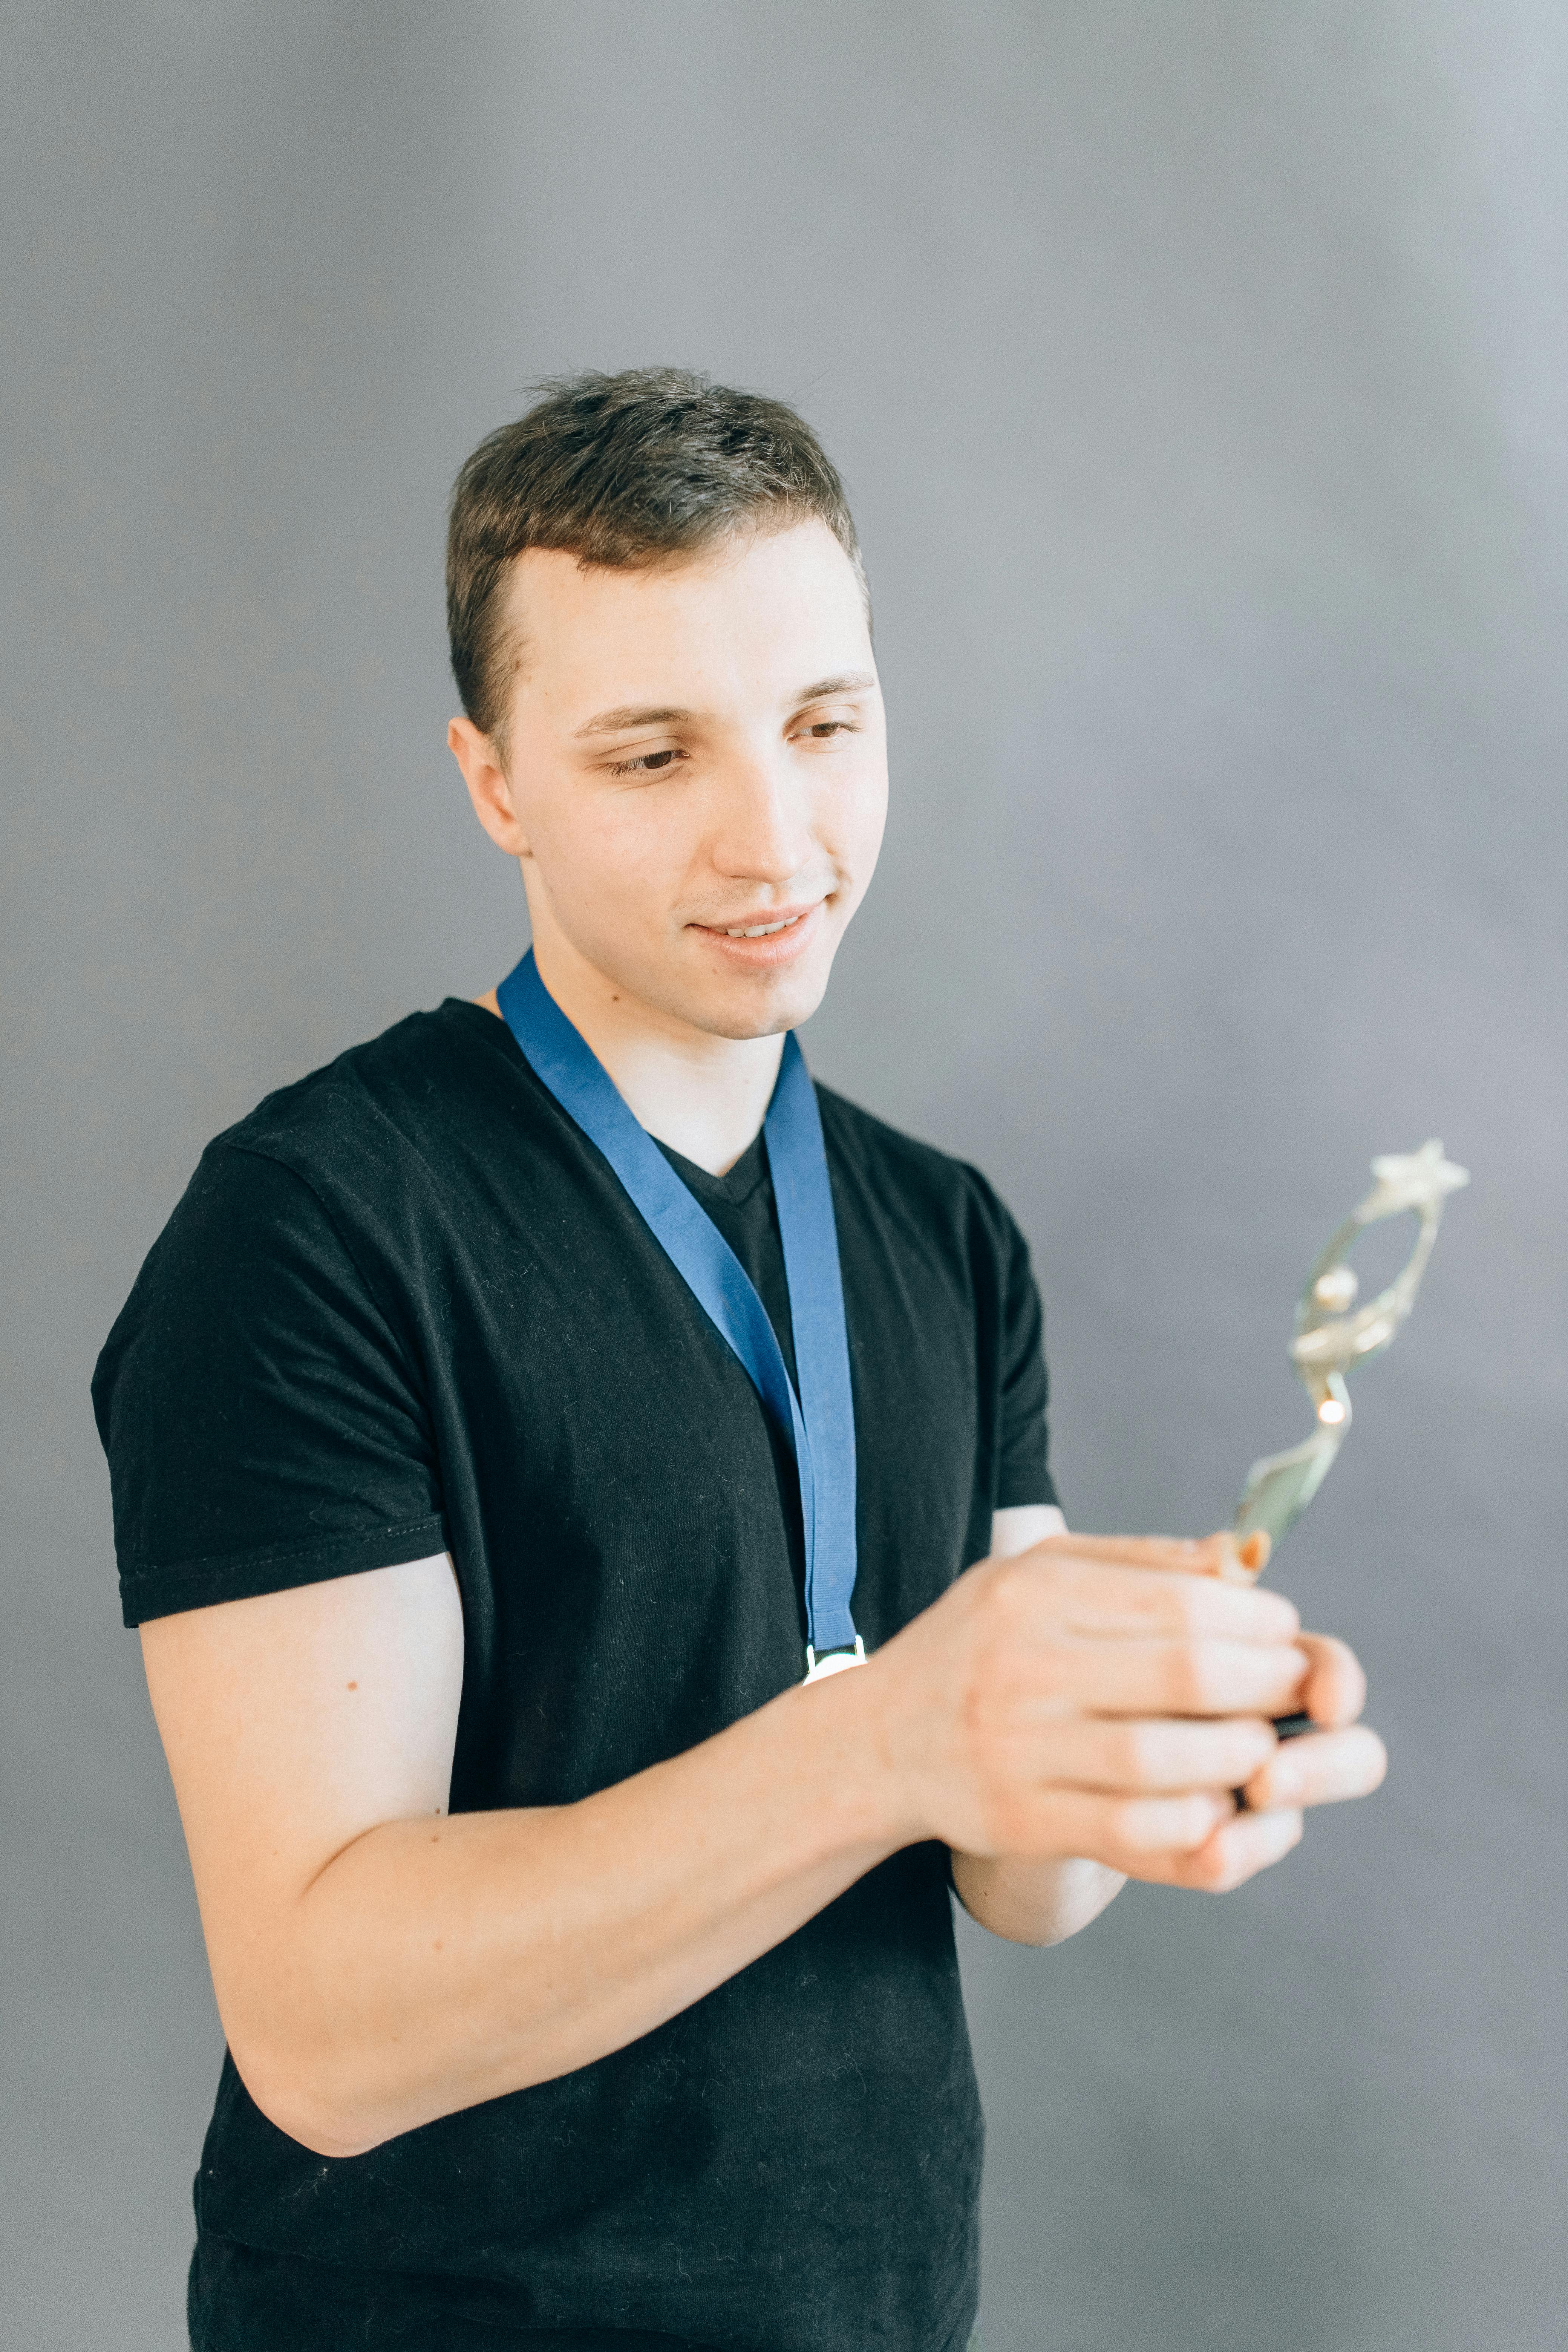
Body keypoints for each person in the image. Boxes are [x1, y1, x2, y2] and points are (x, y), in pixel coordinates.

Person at [92, 369, 1386, 2352]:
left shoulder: (946, 1231)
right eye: (651, 756)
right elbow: (325, 2036)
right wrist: (893, 1736)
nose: (773, 836)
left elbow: (1013, 1885)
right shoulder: (312, 1228)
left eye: (822, 726)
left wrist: (1151, 1756)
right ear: (497, 783)